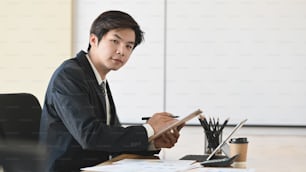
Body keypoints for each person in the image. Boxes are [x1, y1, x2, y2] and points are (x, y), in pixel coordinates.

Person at [39, 10, 183, 172]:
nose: (122, 51)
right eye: (115, 41)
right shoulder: (69, 75)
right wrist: (148, 129)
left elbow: (110, 141)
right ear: (93, 40)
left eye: (129, 46)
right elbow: (90, 136)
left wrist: (152, 142)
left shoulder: (98, 80)